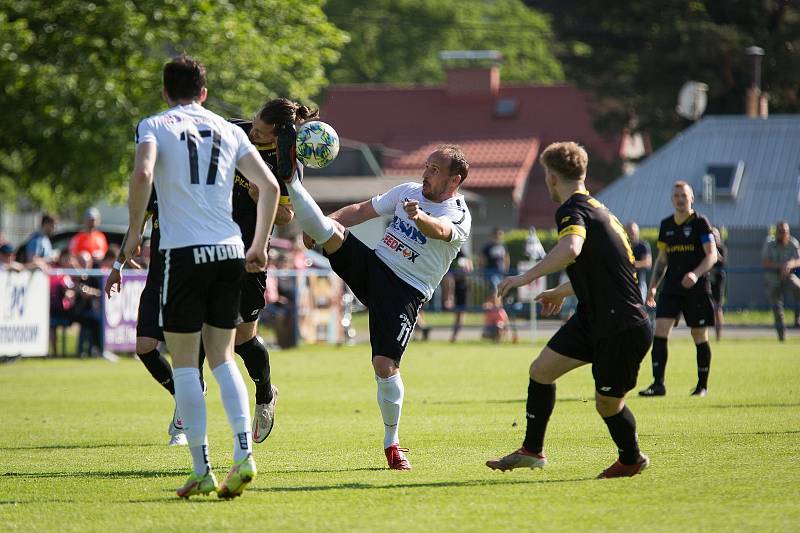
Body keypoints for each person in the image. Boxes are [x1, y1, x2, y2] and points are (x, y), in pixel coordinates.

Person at [121, 55, 280, 499]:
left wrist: (134, 233)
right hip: (230, 251)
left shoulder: (154, 124)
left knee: (187, 363)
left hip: (182, 253)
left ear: (166, 91)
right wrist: (259, 245)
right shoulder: (230, 129)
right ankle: (245, 456)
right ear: (204, 93)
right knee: (224, 357)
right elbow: (268, 187)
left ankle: (200, 467)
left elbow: (143, 173)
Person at [287, 143, 471, 470]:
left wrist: (420, 216)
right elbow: (360, 210)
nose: (426, 174)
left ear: (454, 180)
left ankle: (392, 443)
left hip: (405, 290)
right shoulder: (406, 191)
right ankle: (290, 180)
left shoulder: (456, 212)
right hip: (375, 266)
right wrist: (320, 225)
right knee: (331, 230)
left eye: (435, 170)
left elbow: (441, 231)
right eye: (426, 166)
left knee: (384, 366)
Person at [485, 142, 652, 479]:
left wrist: (524, 277)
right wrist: (560, 290)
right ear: (583, 173)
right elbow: (601, 270)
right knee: (541, 371)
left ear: (549, 177)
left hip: (621, 325)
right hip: (596, 317)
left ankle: (631, 458)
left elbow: (571, 248)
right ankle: (532, 451)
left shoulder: (571, 210)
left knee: (607, 404)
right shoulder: (598, 209)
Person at [639, 181, 718, 398]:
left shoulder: (701, 223)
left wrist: (695, 274)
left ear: (692, 198)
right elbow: (662, 260)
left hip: (697, 288)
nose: (680, 199)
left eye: (684, 195)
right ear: (672, 199)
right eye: (676, 196)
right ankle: (658, 384)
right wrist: (653, 287)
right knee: (660, 330)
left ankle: (702, 386)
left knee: (699, 334)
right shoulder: (666, 225)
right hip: (672, 288)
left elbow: (712, 255)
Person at [761, 221, 800, 341]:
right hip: (773, 278)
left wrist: (789, 264)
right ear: (776, 232)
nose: (782, 234)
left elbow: (799, 259)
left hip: (789, 276)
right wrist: (781, 266)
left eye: (784, 232)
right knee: (777, 307)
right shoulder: (769, 243)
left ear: (788, 232)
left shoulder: (793, 243)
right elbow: (765, 263)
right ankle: (782, 337)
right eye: (780, 231)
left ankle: (797, 318)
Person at [446, 249, 473, 342]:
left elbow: (469, 265)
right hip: (451, 286)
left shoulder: (460, 252)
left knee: (460, 313)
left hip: (461, 286)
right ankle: (448, 298)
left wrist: (465, 269)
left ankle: (454, 336)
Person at [709, 227, 727, 341]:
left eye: (716, 236)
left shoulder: (722, 248)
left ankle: (718, 337)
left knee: (717, 308)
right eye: (712, 236)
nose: (714, 238)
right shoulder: (704, 247)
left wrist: (715, 251)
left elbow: (722, 262)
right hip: (706, 279)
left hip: (717, 279)